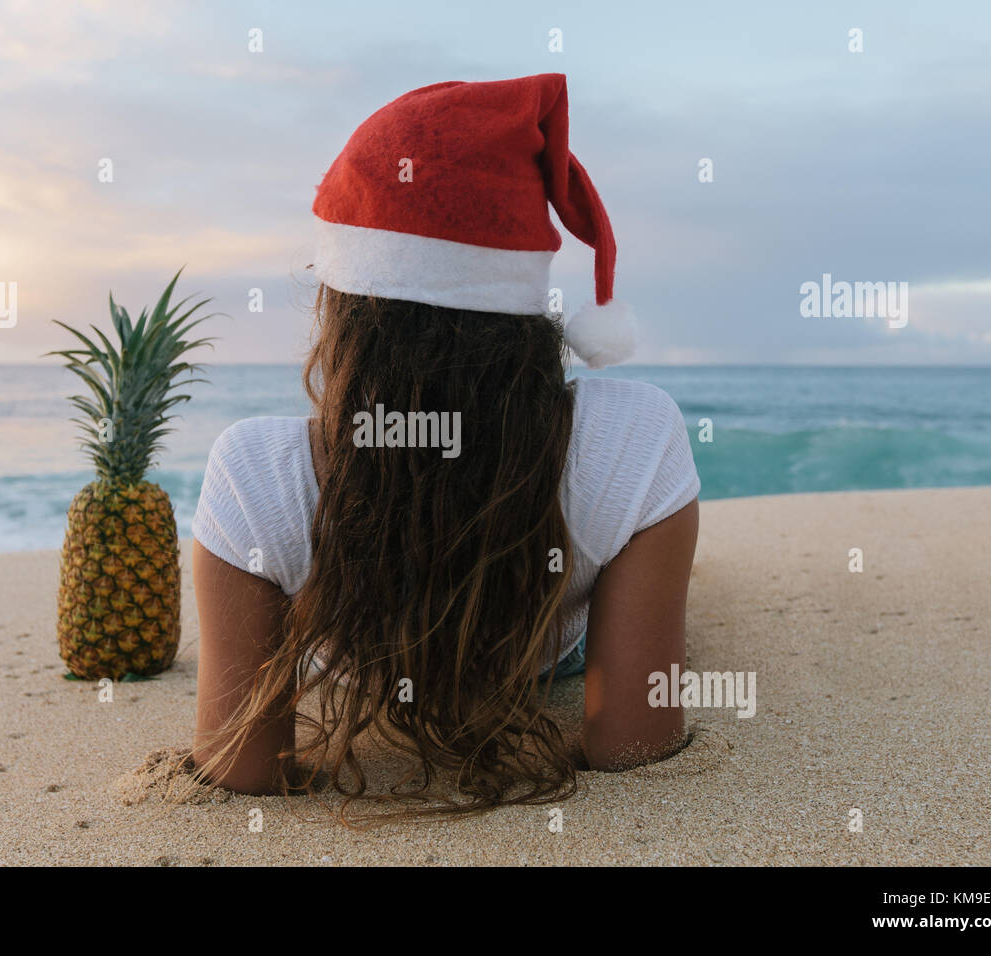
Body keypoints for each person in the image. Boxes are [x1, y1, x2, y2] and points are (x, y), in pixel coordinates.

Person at [189, 73, 700, 818]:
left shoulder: (254, 477)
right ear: (526, 306)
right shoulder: (634, 438)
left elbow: (240, 764)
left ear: (342, 310)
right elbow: (633, 743)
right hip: (540, 655)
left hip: (361, 649)